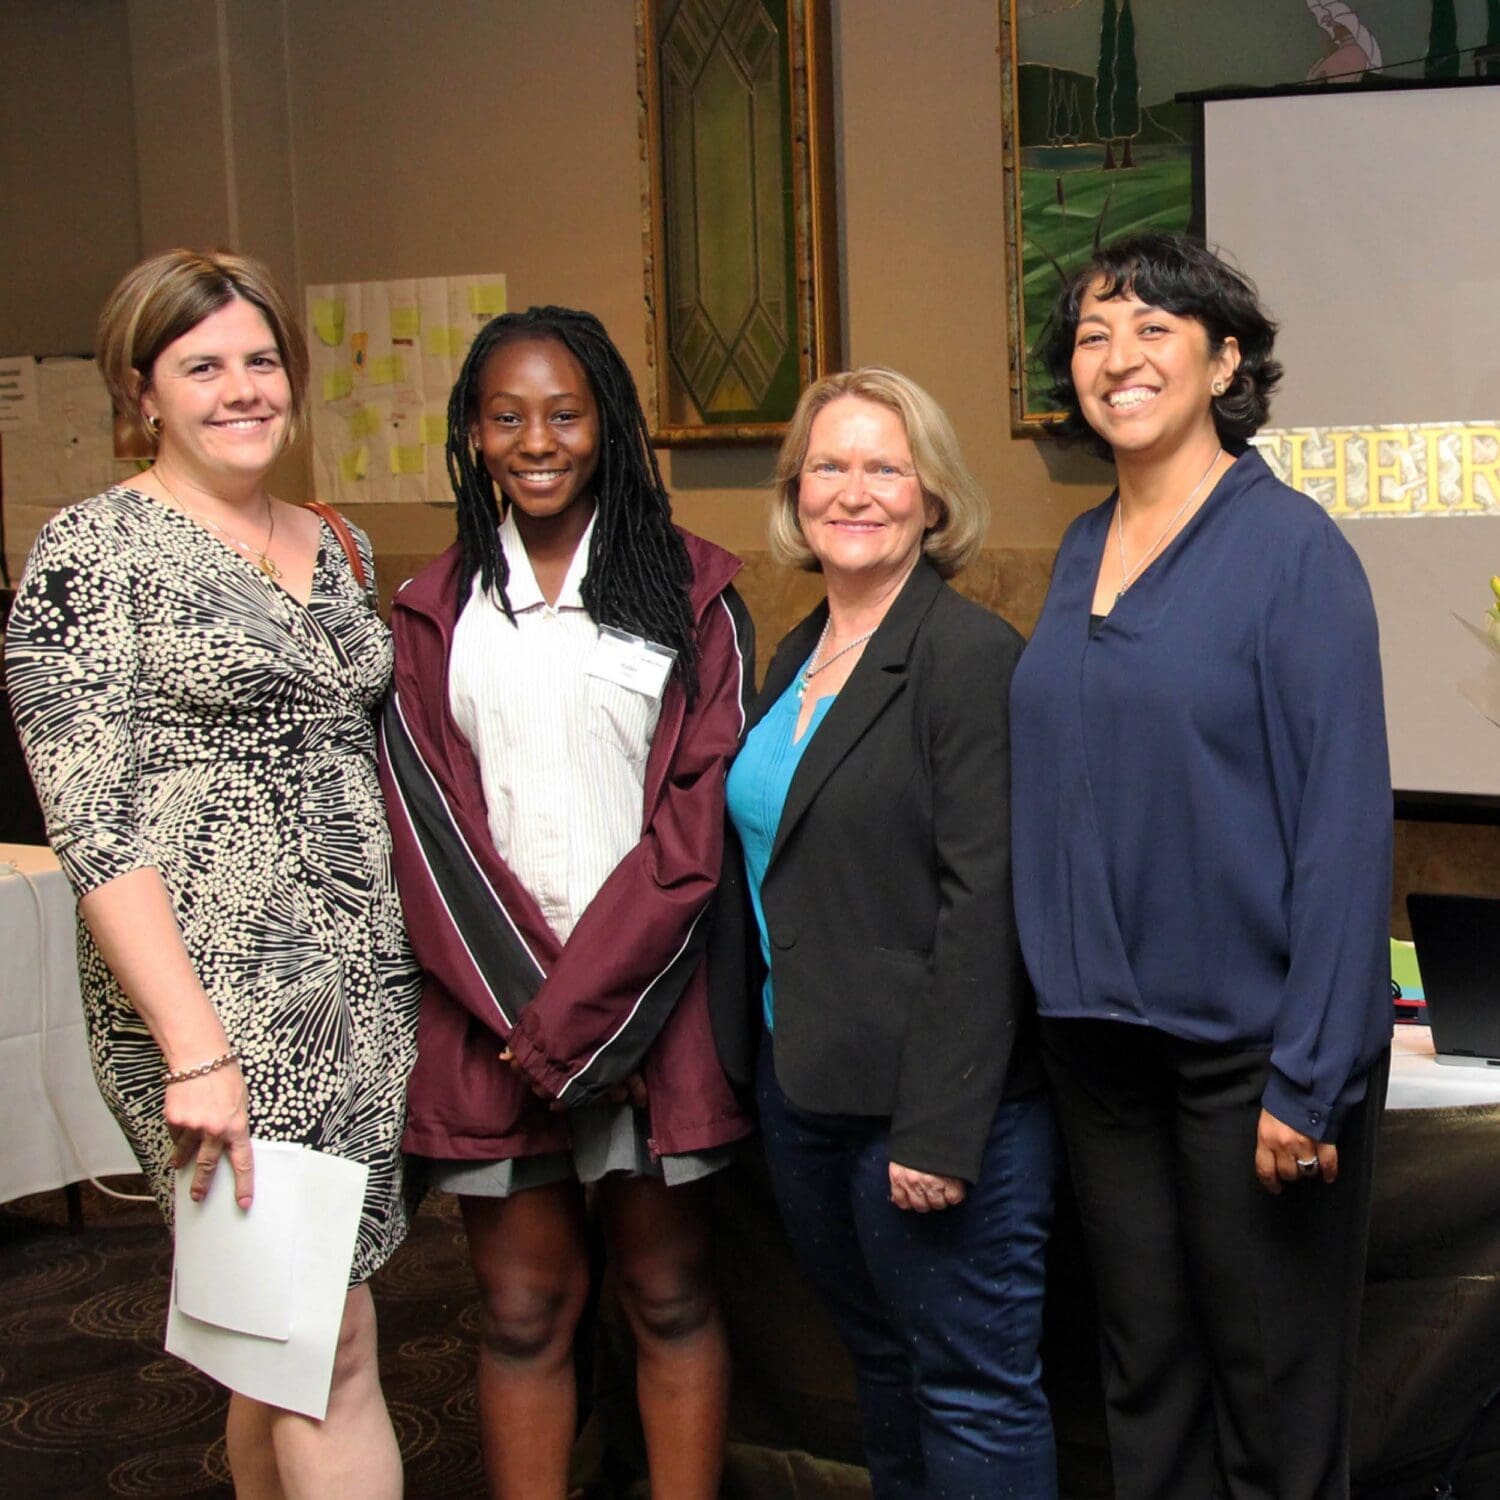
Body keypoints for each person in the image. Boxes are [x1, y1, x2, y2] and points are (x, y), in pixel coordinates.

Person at [4, 249, 421, 1497]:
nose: (243, 389)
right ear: (142, 393)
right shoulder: (91, 554)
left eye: (260, 360)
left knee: (271, 1345)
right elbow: (94, 824)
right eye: (202, 368)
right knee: (327, 1346)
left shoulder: (335, 542)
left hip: (362, 996)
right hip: (217, 1006)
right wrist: (194, 1049)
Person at [1010, 232, 1392, 1500]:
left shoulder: (1293, 550)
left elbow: (1342, 826)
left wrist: (1311, 1077)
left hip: (1252, 1061)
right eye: (1092, 336)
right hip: (1101, 1053)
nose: (1116, 358)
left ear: (1225, 361)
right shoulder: (1079, 549)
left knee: (1273, 1409)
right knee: (1146, 1391)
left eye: (1152, 329)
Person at [379, 306, 753, 1500]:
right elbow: (428, 839)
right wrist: (540, 1031)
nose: (536, 441)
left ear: (610, 425)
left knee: (670, 1297)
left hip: (653, 1021)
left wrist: (593, 1028)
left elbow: (698, 826)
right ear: (472, 435)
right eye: (506, 416)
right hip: (492, 1023)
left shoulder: (693, 591)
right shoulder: (433, 610)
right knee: (522, 1312)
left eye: (564, 413)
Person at [723, 367, 1058, 1499]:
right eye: (829, 466)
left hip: (933, 1111)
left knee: (972, 1391)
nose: (853, 492)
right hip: (808, 1090)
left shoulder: (968, 658)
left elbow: (986, 907)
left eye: (885, 467)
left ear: (932, 495)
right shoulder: (798, 654)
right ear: (795, 490)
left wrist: (939, 1130)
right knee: (882, 1366)